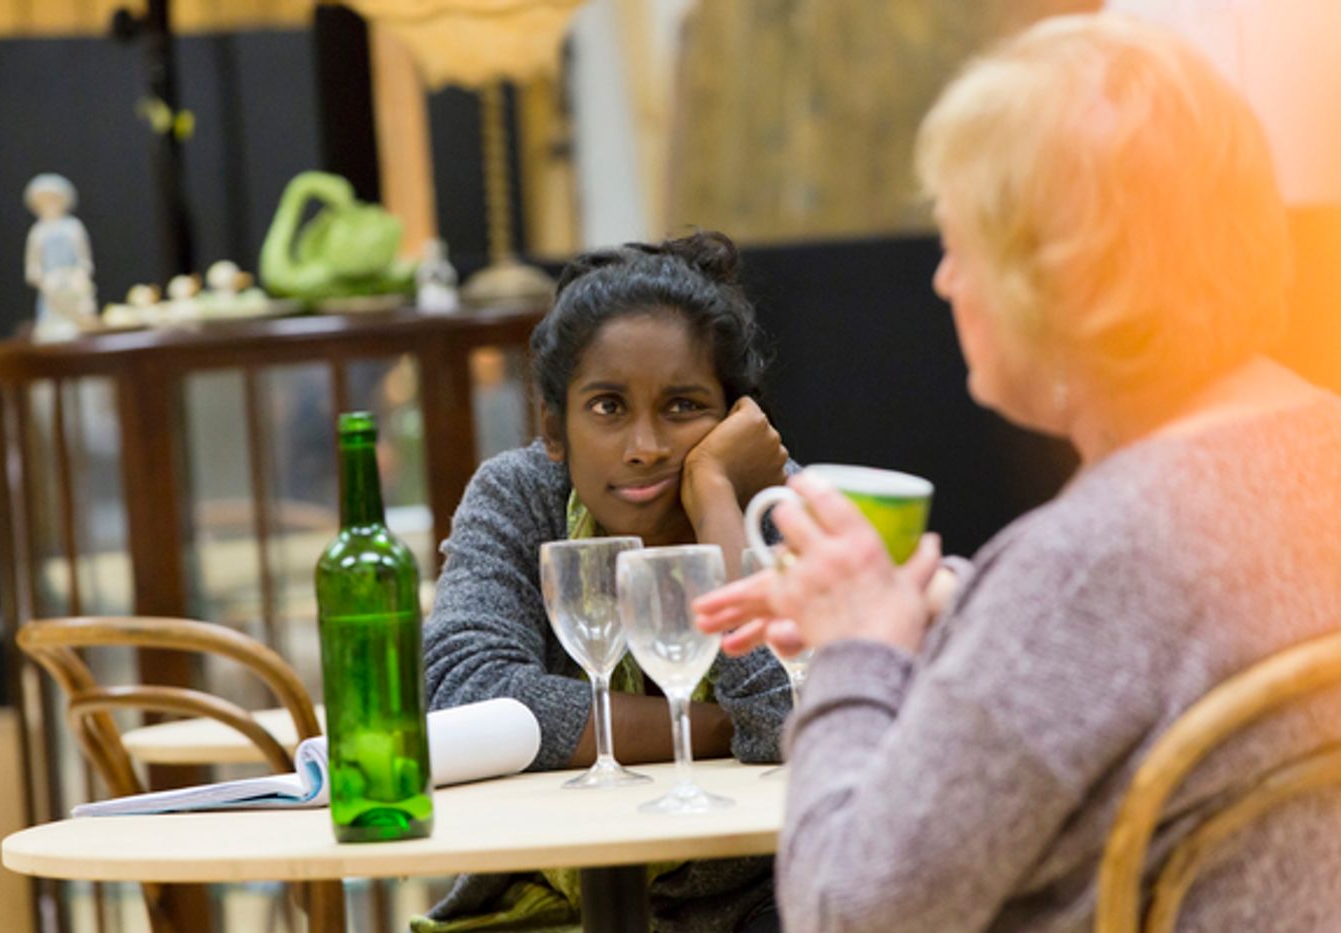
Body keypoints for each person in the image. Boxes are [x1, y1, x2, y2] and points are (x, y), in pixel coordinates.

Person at [694, 13, 1341, 932]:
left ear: (1064, 281)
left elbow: (851, 911)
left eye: (962, 246)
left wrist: (854, 648)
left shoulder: (1088, 565)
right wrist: (947, 617)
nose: (945, 282)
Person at [420, 231, 794, 932]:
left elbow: (784, 726)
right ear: (554, 429)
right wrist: (710, 727)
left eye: (684, 406)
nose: (645, 444)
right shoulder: (520, 496)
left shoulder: (774, 504)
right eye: (608, 407)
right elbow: (465, 693)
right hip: (546, 901)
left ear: (735, 417)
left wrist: (717, 496)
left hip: (745, 904)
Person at [23, 173, 97, 341]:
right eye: (44, 201)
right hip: (52, 289)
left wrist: (79, 275)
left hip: (73, 285)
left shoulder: (73, 227)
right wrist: (44, 280)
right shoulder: (38, 232)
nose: (49, 205)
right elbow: (32, 267)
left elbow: (84, 260)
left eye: (53, 199)